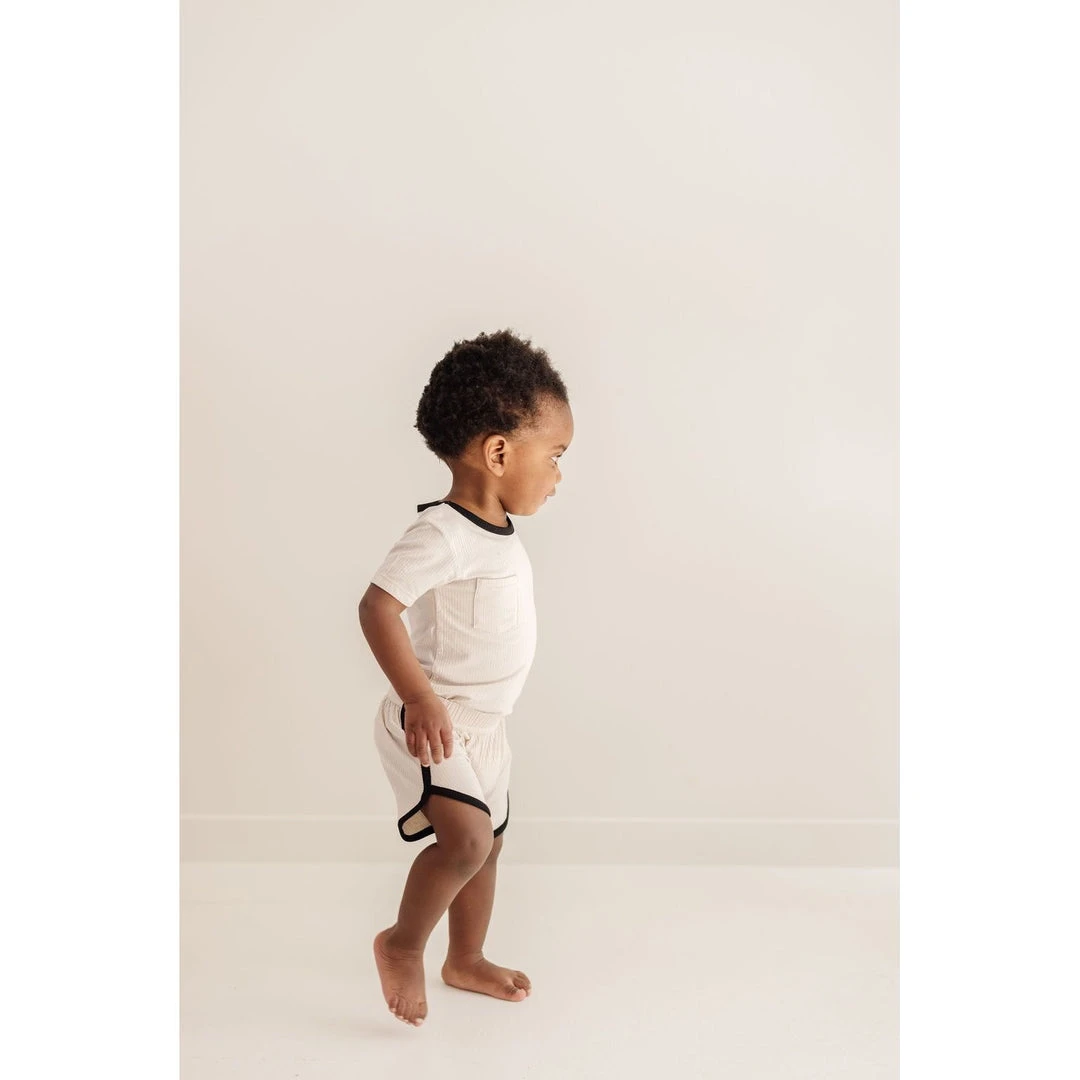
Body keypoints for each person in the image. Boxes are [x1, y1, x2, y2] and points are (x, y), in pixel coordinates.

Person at [358, 328, 574, 1027]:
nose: (559, 475)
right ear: (500, 452)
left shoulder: (496, 531)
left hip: (487, 728)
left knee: (490, 846)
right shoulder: (444, 534)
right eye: (556, 456)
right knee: (466, 842)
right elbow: (377, 607)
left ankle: (465, 958)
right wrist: (419, 697)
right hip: (435, 719)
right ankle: (401, 943)